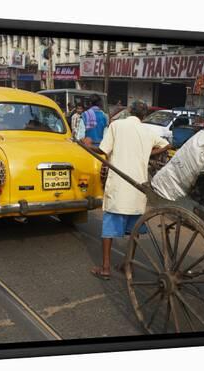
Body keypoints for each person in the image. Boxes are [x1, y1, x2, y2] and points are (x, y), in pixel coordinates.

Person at [86, 100, 172, 280]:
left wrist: (87, 146)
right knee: (134, 231)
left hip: (119, 185)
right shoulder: (148, 132)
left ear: (130, 111)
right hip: (137, 187)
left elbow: (103, 150)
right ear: (144, 115)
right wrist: (149, 153)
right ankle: (127, 265)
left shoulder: (117, 125)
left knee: (109, 229)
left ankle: (106, 267)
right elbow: (166, 145)